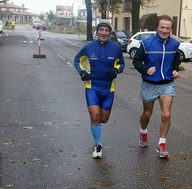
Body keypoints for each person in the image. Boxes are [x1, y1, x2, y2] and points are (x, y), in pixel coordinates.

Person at [73, 20, 125, 159]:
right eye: (101, 30)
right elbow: (77, 60)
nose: (103, 32)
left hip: (108, 88)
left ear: (109, 33)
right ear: (97, 32)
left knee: (104, 119)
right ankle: (98, 145)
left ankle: (96, 127)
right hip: (92, 87)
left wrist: (116, 70)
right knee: (94, 116)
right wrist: (82, 72)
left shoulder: (115, 48)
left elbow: (122, 64)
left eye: (106, 30)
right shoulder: (89, 47)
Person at [132, 15, 181, 159]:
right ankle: (143, 131)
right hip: (149, 83)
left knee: (166, 114)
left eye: (168, 28)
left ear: (171, 29)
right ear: (157, 28)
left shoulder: (174, 44)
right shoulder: (147, 43)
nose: (165, 30)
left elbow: (176, 58)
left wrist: (175, 69)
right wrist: (145, 70)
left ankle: (162, 144)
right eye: (162, 27)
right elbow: (137, 60)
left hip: (167, 83)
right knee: (147, 113)